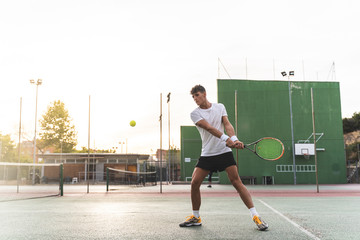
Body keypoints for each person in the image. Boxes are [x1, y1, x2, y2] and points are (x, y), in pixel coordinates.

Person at [179, 84, 268, 231]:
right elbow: (208, 127)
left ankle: (255, 216)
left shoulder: (219, 107)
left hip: (224, 152)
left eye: (197, 95)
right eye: (193, 97)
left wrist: (234, 138)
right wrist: (227, 139)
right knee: (195, 183)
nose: (195, 99)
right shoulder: (194, 113)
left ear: (204, 94)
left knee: (236, 182)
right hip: (207, 153)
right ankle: (196, 217)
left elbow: (227, 123)